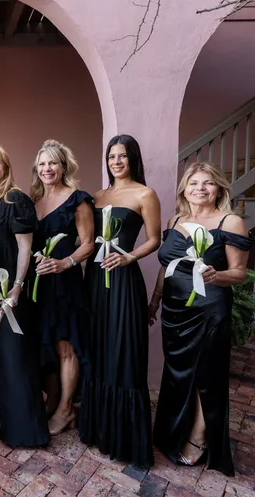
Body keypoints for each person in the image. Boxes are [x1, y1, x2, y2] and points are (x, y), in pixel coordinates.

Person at [150, 162, 252, 476]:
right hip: (175, 312)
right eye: (194, 183)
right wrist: (155, 301)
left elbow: (239, 273)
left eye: (208, 183)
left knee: (207, 375)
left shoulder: (230, 222)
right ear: (184, 189)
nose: (200, 189)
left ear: (219, 188)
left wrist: (216, 275)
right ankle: (175, 431)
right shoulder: (176, 219)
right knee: (180, 374)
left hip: (210, 310)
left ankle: (200, 436)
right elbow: (167, 266)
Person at [78, 135, 161, 468]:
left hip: (124, 280)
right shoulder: (97, 196)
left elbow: (154, 240)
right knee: (98, 347)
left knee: (124, 350)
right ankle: (98, 429)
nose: (116, 161)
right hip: (96, 280)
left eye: (123, 156)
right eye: (111, 156)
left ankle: (125, 438)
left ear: (133, 159)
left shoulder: (145, 194)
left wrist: (128, 258)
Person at [0, 144, 49, 448]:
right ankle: (0, 420)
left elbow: (25, 248)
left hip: (9, 289)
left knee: (15, 356)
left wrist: (17, 287)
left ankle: (25, 430)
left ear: (5, 166)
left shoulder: (16, 199)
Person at [30, 139, 94, 436]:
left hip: (65, 284)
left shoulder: (77, 199)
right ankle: (53, 399)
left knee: (66, 347)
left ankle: (67, 409)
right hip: (38, 285)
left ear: (63, 166)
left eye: (52, 163)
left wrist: (65, 263)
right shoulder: (33, 200)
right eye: (42, 164)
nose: (47, 169)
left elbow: (88, 244)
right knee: (44, 346)